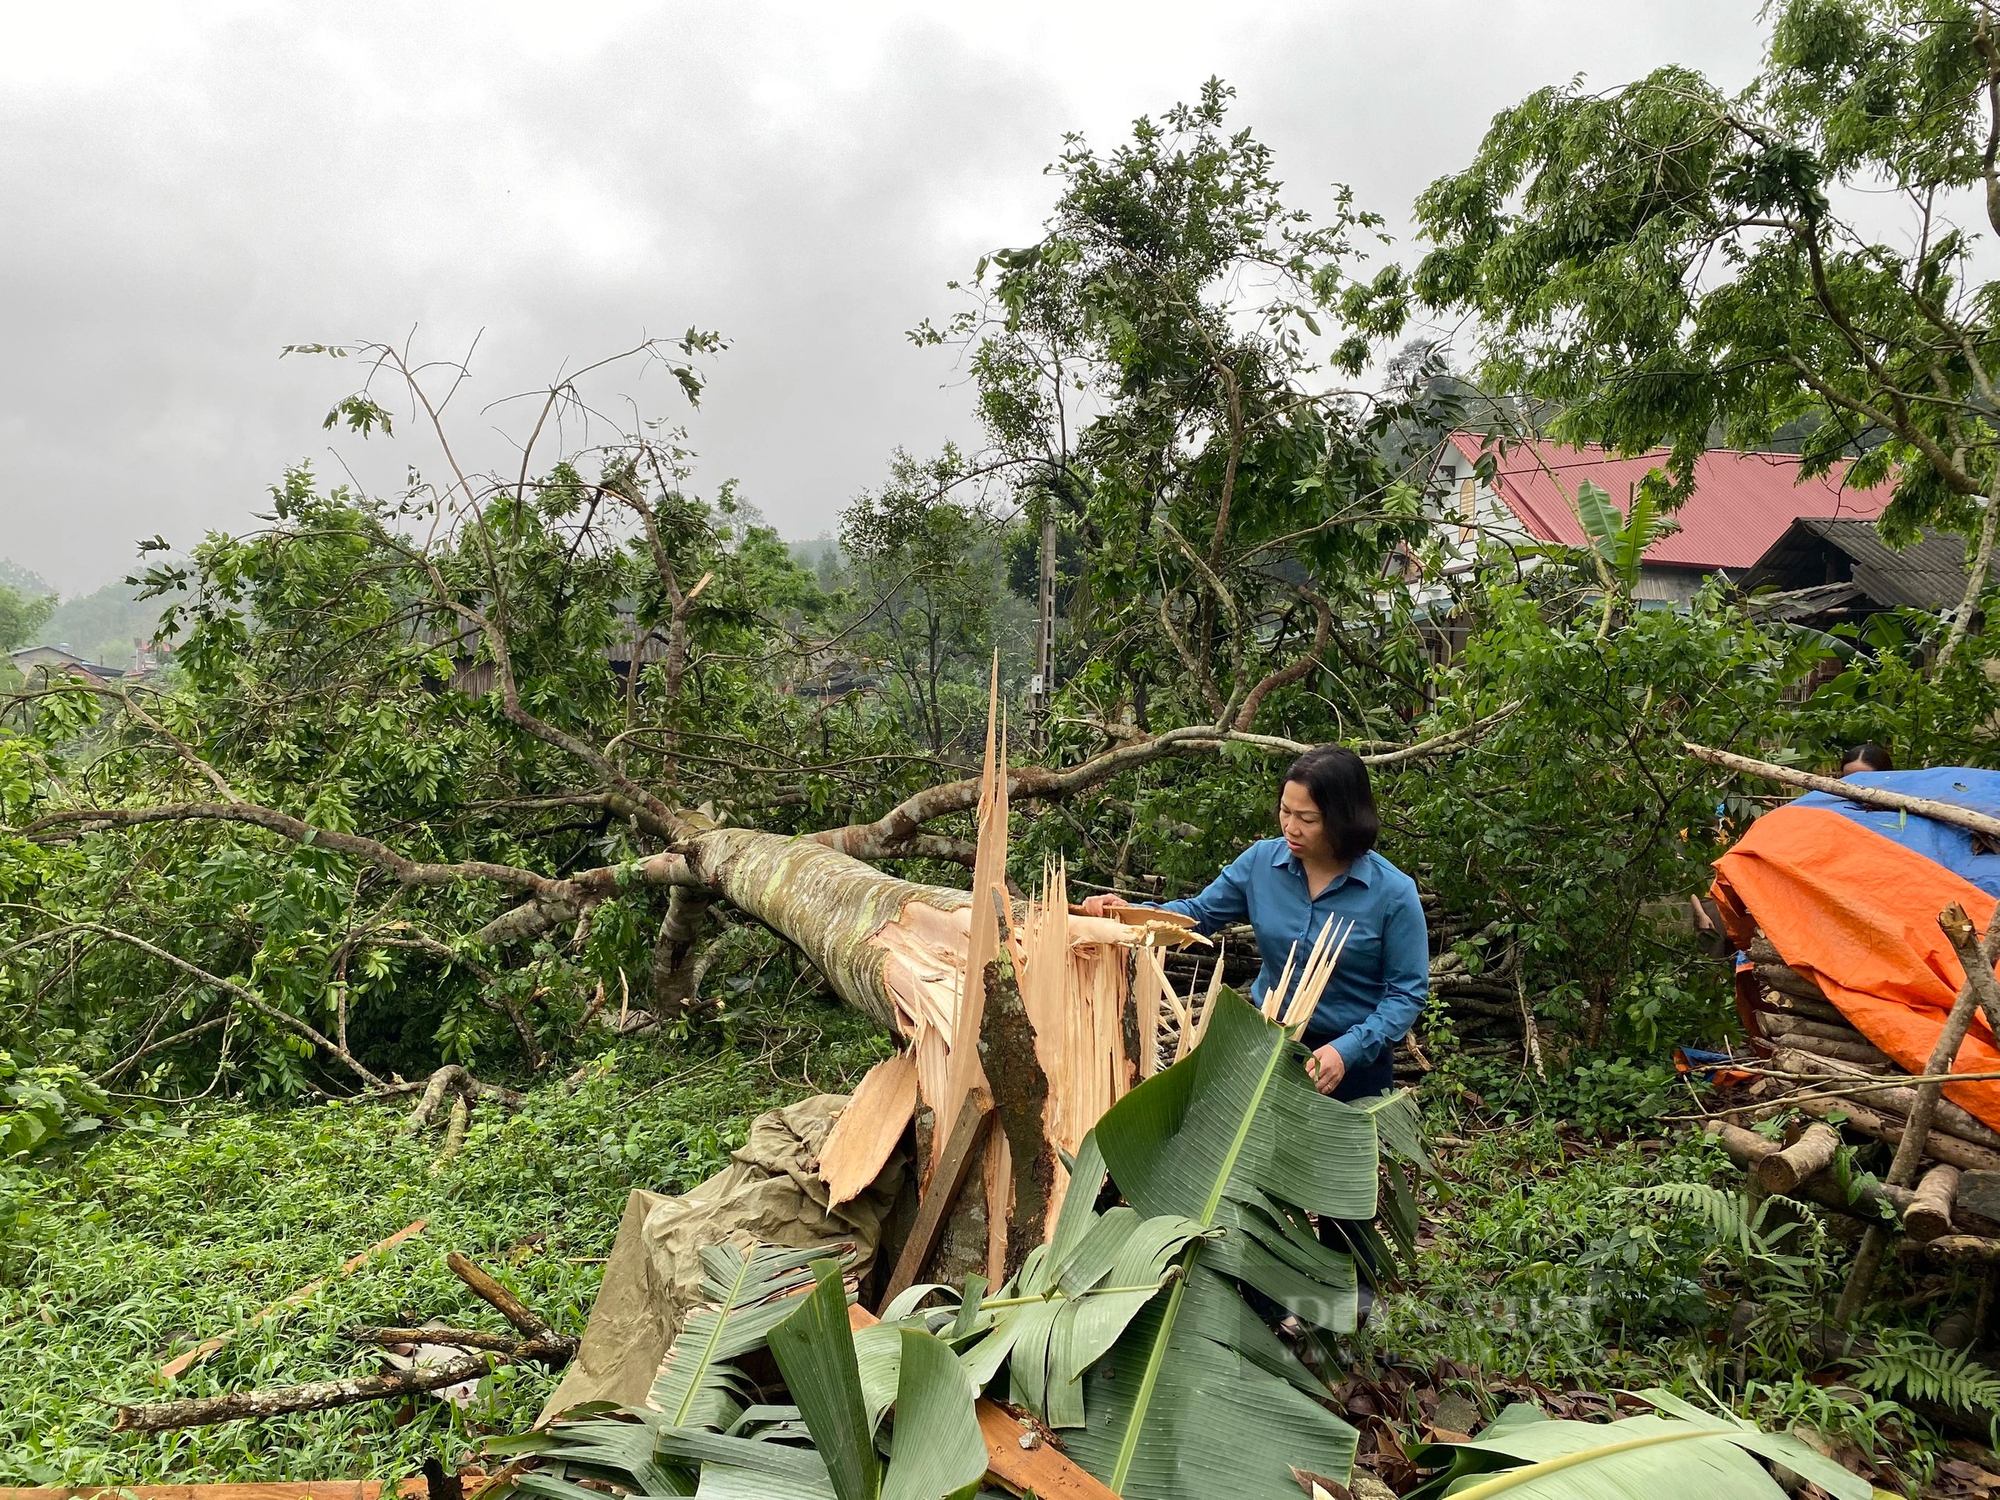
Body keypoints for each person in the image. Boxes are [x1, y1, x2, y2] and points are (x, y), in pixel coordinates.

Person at [1080, 744, 1428, 1101]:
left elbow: (1407, 992)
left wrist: (1349, 1049)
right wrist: (1125, 913)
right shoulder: (1262, 863)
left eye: (1307, 819)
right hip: (1267, 1049)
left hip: (1351, 1065)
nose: (1291, 827)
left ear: (1344, 819)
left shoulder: (1393, 893)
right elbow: (1196, 916)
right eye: (1285, 812)